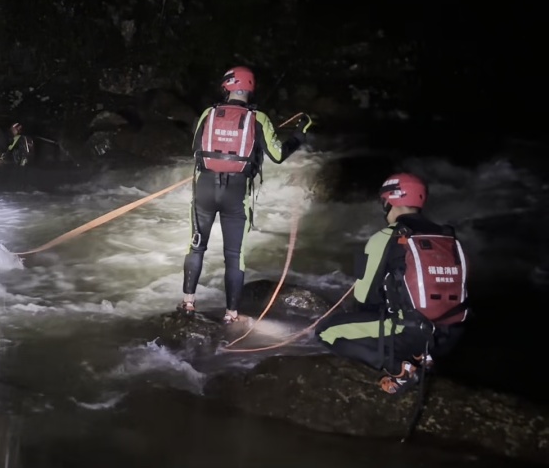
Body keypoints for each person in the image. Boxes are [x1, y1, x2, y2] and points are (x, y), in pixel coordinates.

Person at [179, 66, 310, 323]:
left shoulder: (208, 113)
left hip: (204, 189)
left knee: (196, 247)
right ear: (249, 90)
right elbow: (278, 155)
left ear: (226, 87)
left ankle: (187, 303)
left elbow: (195, 148)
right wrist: (299, 135)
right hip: (236, 194)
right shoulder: (258, 118)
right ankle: (231, 314)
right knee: (234, 255)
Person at [316, 173, 469, 394]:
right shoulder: (447, 237)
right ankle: (422, 357)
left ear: (390, 201)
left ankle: (400, 369)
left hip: (408, 333)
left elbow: (365, 297)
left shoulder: (388, 236)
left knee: (326, 331)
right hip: (448, 336)